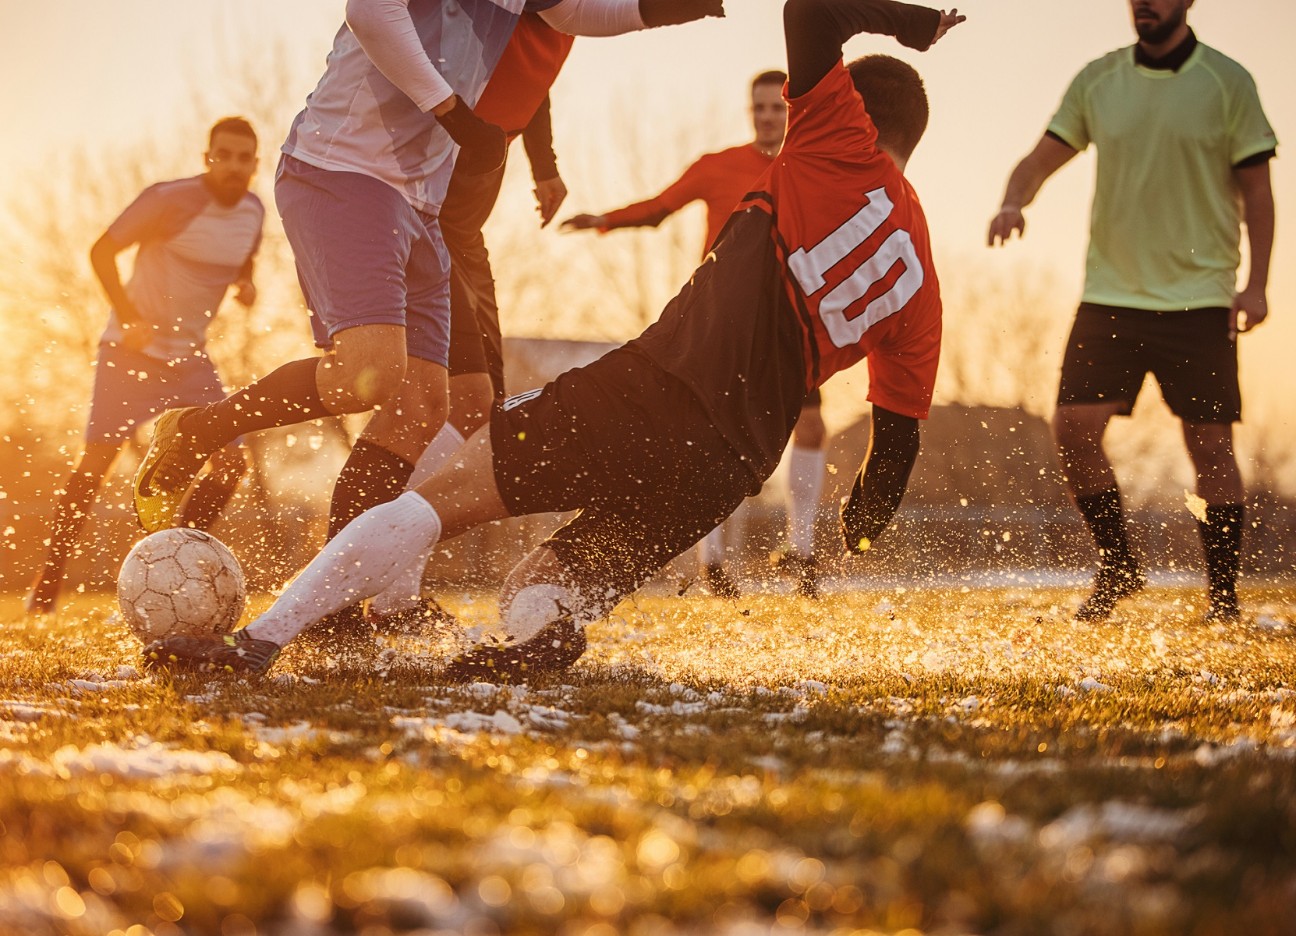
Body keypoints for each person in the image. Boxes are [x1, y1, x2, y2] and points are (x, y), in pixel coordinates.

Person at [143, 0, 965, 681]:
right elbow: (891, 454)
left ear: (853, 109)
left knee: (432, 503)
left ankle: (255, 645)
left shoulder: (836, 142)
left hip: (650, 389)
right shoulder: (922, 285)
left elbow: (812, 8)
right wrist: (857, 533)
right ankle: (541, 639)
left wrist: (910, 23)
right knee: (541, 583)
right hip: (733, 464)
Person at [130, 0, 725, 547]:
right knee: (368, 373)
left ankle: (343, 611)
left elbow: (570, 12)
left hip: (419, 201)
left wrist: (678, 7)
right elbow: (370, 10)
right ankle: (198, 431)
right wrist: (451, 112)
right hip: (343, 171)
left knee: (441, 403)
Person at [987, 0, 1277, 622]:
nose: (1144, 3)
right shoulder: (1099, 79)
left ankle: (1222, 598)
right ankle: (1119, 566)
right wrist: (1014, 201)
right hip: (1110, 295)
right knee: (1072, 430)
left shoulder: (1229, 83)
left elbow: (1258, 190)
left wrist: (1256, 285)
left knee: (1210, 447)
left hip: (1199, 300)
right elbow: (1039, 160)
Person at [562, 69, 830, 600]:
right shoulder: (718, 167)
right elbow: (661, 208)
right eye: (759, 108)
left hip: (786, 317)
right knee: (713, 432)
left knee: (813, 425)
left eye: (778, 107)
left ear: (792, 112)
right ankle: (712, 561)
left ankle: (801, 554)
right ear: (749, 112)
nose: (768, 116)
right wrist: (606, 219)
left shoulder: (808, 167)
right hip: (721, 318)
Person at [363, 12, 576, 631]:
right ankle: (385, 594)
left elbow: (531, 83)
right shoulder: (486, 20)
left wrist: (544, 165)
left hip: (466, 234)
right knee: (436, 401)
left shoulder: (554, 26)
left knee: (482, 410)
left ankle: (393, 592)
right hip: (427, 225)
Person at [25, 117, 263, 616]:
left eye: (244, 158)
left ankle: (174, 560)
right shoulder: (166, 199)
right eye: (225, 155)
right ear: (208, 158)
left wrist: (245, 284)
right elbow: (101, 250)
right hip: (129, 355)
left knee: (230, 463)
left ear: (254, 164)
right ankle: (48, 585)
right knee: (95, 464)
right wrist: (129, 317)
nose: (234, 167)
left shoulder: (254, 212)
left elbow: (243, 258)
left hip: (190, 360)